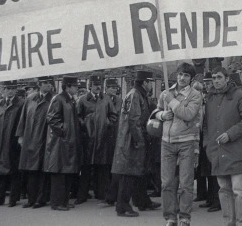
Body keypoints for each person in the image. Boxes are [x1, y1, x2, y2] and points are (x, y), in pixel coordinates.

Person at [153, 62, 203, 226]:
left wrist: (172, 101)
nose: (182, 78)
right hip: (166, 142)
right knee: (166, 182)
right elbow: (156, 112)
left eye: (186, 75)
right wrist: (161, 115)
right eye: (180, 74)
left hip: (186, 142)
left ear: (191, 78)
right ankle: (170, 217)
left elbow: (188, 114)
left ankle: (184, 218)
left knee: (185, 182)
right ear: (176, 74)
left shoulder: (195, 95)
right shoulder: (166, 92)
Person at [203, 67, 242, 226]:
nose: (216, 81)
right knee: (224, 190)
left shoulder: (240, 95)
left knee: (239, 191)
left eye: (219, 77)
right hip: (217, 151)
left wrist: (230, 134)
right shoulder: (210, 98)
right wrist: (207, 146)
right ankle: (228, 223)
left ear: (227, 78)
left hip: (236, 150)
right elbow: (206, 126)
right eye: (214, 78)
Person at [111, 70, 160, 217]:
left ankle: (142, 201)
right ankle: (122, 206)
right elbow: (133, 120)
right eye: (150, 82)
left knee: (139, 172)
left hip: (134, 140)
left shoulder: (138, 95)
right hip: (132, 142)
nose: (151, 85)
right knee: (129, 174)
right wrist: (139, 140)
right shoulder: (134, 95)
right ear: (145, 82)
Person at [76, 75, 118, 204]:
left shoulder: (106, 100)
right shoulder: (82, 100)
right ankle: (82, 196)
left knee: (102, 168)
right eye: (95, 84)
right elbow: (77, 116)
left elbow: (113, 115)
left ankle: (102, 194)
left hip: (102, 138)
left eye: (99, 84)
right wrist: (84, 124)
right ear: (90, 86)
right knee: (86, 168)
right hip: (87, 139)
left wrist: (108, 123)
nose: (97, 87)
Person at [0, 81, 25, 208]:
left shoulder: (21, 104)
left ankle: (13, 198)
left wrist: (21, 138)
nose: (11, 91)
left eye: (13, 88)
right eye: (8, 88)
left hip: (13, 142)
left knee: (14, 171)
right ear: (3, 89)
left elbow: (23, 123)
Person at [16, 76, 54, 209]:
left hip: (45, 138)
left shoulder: (53, 99)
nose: (48, 85)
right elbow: (23, 118)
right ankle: (31, 199)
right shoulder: (30, 99)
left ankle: (41, 199)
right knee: (31, 170)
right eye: (45, 83)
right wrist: (20, 136)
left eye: (50, 83)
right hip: (30, 138)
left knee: (43, 170)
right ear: (39, 84)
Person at [45, 76, 82, 211]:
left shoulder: (69, 100)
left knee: (66, 172)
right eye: (75, 86)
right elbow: (52, 119)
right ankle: (57, 202)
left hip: (67, 141)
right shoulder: (59, 99)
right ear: (67, 86)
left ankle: (64, 201)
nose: (77, 88)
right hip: (60, 142)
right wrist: (64, 132)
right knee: (60, 173)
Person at [197, 72, 222, 213]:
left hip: (213, 136)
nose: (207, 84)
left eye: (209, 82)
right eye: (205, 82)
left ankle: (216, 201)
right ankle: (210, 199)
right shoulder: (206, 96)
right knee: (207, 170)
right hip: (205, 136)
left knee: (214, 172)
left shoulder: (213, 96)